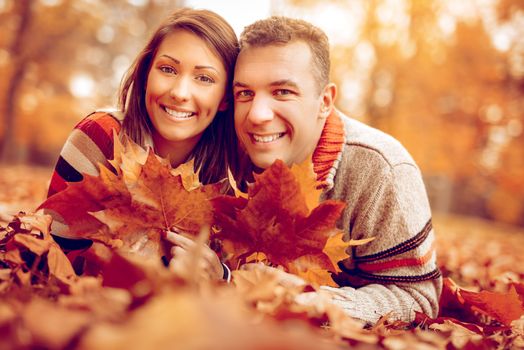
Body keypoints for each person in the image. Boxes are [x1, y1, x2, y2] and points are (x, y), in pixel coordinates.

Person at [232, 16, 442, 324]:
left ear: (325, 101)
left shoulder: (381, 170)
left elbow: (419, 299)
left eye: (282, 92)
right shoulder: (226, 154)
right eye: (245, 93)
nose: (257, 114)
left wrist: (316, 302)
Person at [44, 8, 239, 281]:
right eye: (168, 69)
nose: (180, 93)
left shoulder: (229, 177)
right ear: (146, 74)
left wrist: (222, 276)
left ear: (225, 99)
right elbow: (49, 254)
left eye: (204, 78)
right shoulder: (101, 135)